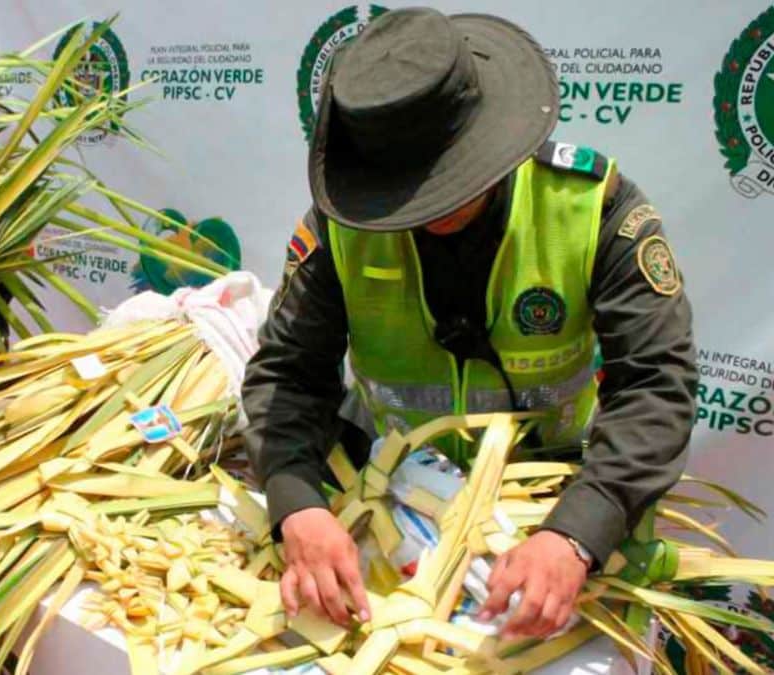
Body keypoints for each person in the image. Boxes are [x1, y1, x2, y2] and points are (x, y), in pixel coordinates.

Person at [242, 8, 697, 641]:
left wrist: (576, 532)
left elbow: (655, 385)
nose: (428, 214)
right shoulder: (339, 227)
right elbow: (287, 376)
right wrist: (298, 508)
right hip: (387, 495)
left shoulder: (594, 207)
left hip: (542, 502)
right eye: (404, 196)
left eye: (446, 186)